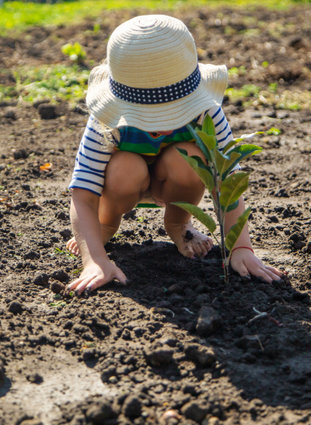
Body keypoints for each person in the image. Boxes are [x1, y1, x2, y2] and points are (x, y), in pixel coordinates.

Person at [66, 14, 283, 294]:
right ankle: (106, 224)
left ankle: (179, 223)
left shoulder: (206, 113)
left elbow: (227, 181)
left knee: (189, 157)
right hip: (123, 185)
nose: (159, 126)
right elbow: (83, 193)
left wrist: (240, 248)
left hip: (175, 179)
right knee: (125, 167)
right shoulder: (106, 123)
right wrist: (94, 259)